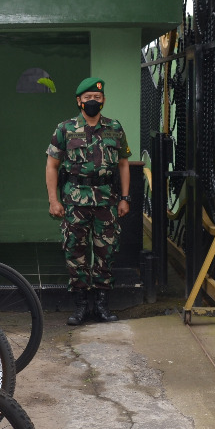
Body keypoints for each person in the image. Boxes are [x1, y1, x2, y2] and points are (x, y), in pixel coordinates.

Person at [45, 77, 131, 326]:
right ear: (79, 101)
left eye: (97, 97)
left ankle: (102, 305)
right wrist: (54, 200)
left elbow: (124, 163)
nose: (92, 101)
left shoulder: (114, 127)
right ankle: (81, 306)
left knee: (106, 252)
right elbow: (52, 165)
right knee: (76, 252)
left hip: (107, 199)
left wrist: (125, 198)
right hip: (75, 199)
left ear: (103, 101)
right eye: (88, 98)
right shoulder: (65, 129)